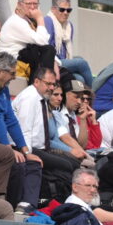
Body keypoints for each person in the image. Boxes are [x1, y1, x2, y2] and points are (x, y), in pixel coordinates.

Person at [12, 66, 84, 200]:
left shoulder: (41, 98)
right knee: (67, 166)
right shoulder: (29, 98)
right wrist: (27, 154)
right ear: (37, 81)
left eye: (53, 84)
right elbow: (25, 130)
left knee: (74, 163)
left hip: (42, 148)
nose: (51, 88)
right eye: (48, 84)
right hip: (29, 148)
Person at [0, 0, 57, 81]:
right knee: (41, 50)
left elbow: (44, 40)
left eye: (35, 4)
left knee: (70, 75)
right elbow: (43, 42)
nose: (32, 7)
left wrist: (55, 62)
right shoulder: (15, 21)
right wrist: (40, 18)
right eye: (29, 4)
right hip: (12, 61)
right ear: (19, 5)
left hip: (27, 59)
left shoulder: (27, 21)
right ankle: (44, 82)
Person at [43, 0, 93, 87]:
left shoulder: (69, 26)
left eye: (68, 10)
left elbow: (67, 53)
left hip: (63, 61)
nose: (66, 13)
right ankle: (95, 92)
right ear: (53, 9)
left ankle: (85, 98)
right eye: (62, 9)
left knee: (79, 78)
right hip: (52, 62)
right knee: (81, 63)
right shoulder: (48, 21)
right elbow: (45, 47)